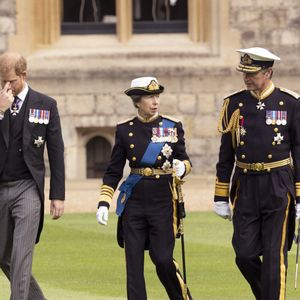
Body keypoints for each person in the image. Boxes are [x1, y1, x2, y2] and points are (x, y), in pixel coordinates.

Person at [214, 47, 300, 300]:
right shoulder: (234, 103)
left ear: (269, 72)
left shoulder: (290, 103)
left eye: (253, 73)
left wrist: (299, 195)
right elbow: (225, 154)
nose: (247, 78)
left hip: (278, 183)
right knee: (245, 254)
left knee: (275, 256)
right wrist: (220, 195)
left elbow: (299, 150)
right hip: (245, 185)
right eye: (244, 73)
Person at [96, 76, 192, 300]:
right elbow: (113, 171)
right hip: (134, 203)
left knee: (162, 259)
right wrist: (104, 201)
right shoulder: (124, 130)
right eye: (150, 97)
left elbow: (185, 160)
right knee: (134, 264)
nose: (155, 101)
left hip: (163, 201)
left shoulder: (172, 127)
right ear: (137, 101)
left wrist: (182, 168)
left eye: (157, 96)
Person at [0, 52, 65, 300]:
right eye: (2, 81)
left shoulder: (45, 104)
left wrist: (57, 196)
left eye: (11, 81)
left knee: (21, 256)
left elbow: (57, 152)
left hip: (27, 188)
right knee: (3, 256)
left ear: (24, 76)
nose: (6, 87)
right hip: (0, 187)